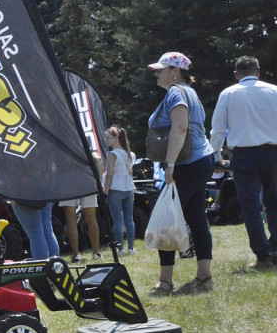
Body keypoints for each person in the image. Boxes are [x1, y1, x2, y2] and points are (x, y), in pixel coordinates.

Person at [146, 51, 215, 295]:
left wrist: (170, 164)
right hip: (201, 160)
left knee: (165, 219)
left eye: (161, 69)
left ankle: (165, 283)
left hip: (187, 164)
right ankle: (204, 278)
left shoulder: (176, 92)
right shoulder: (189, 91)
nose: (157, 73)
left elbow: (181, 127)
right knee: (196, 217)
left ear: (175, 71)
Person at [209, 55, 277, 270]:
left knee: (249, 207)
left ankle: (263, 257)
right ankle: (275, 248)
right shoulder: (274, 91)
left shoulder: (228, 94)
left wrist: (215, 154)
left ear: (237, 75)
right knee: (275, 203)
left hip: (244, 155)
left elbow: (218, 129)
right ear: (258, 71)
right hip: (274, 153)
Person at [103, 127, 137, 255]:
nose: (106, 140)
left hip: (116, 189)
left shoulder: (111, 155)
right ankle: (131, 248)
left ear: (116, 138)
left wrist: (105, 191)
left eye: (108, 137)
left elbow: (109, 174)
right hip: (129, 189)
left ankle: (121, 248)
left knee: (117, 220)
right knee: (129, 219)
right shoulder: (130, 154)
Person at [59, 188, 102, 263]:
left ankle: (75, 255)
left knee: (71, 221)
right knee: (91, 219)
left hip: (68, 184)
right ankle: (96, 253)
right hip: (87, 183)